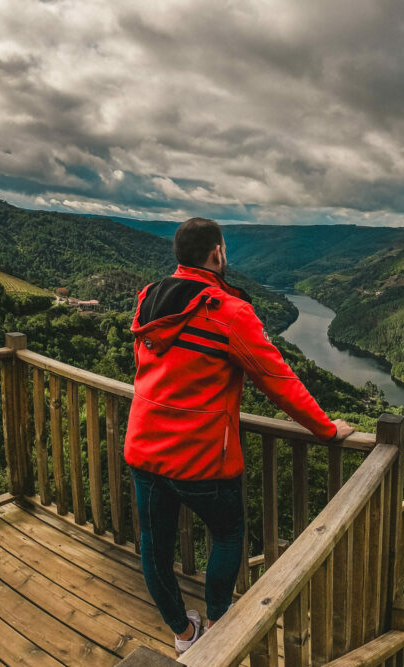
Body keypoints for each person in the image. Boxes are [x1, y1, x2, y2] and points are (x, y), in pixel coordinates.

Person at [123, 217, 354, 655]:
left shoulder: (148, 301)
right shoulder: (229, 312)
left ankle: (184, 634)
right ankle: (217, 622)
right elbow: (278, 379)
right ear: (217, 254)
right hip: (202, 459)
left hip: (144, 451)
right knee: (229, 537)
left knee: (154, 545)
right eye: (224, 250)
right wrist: (326, 429)